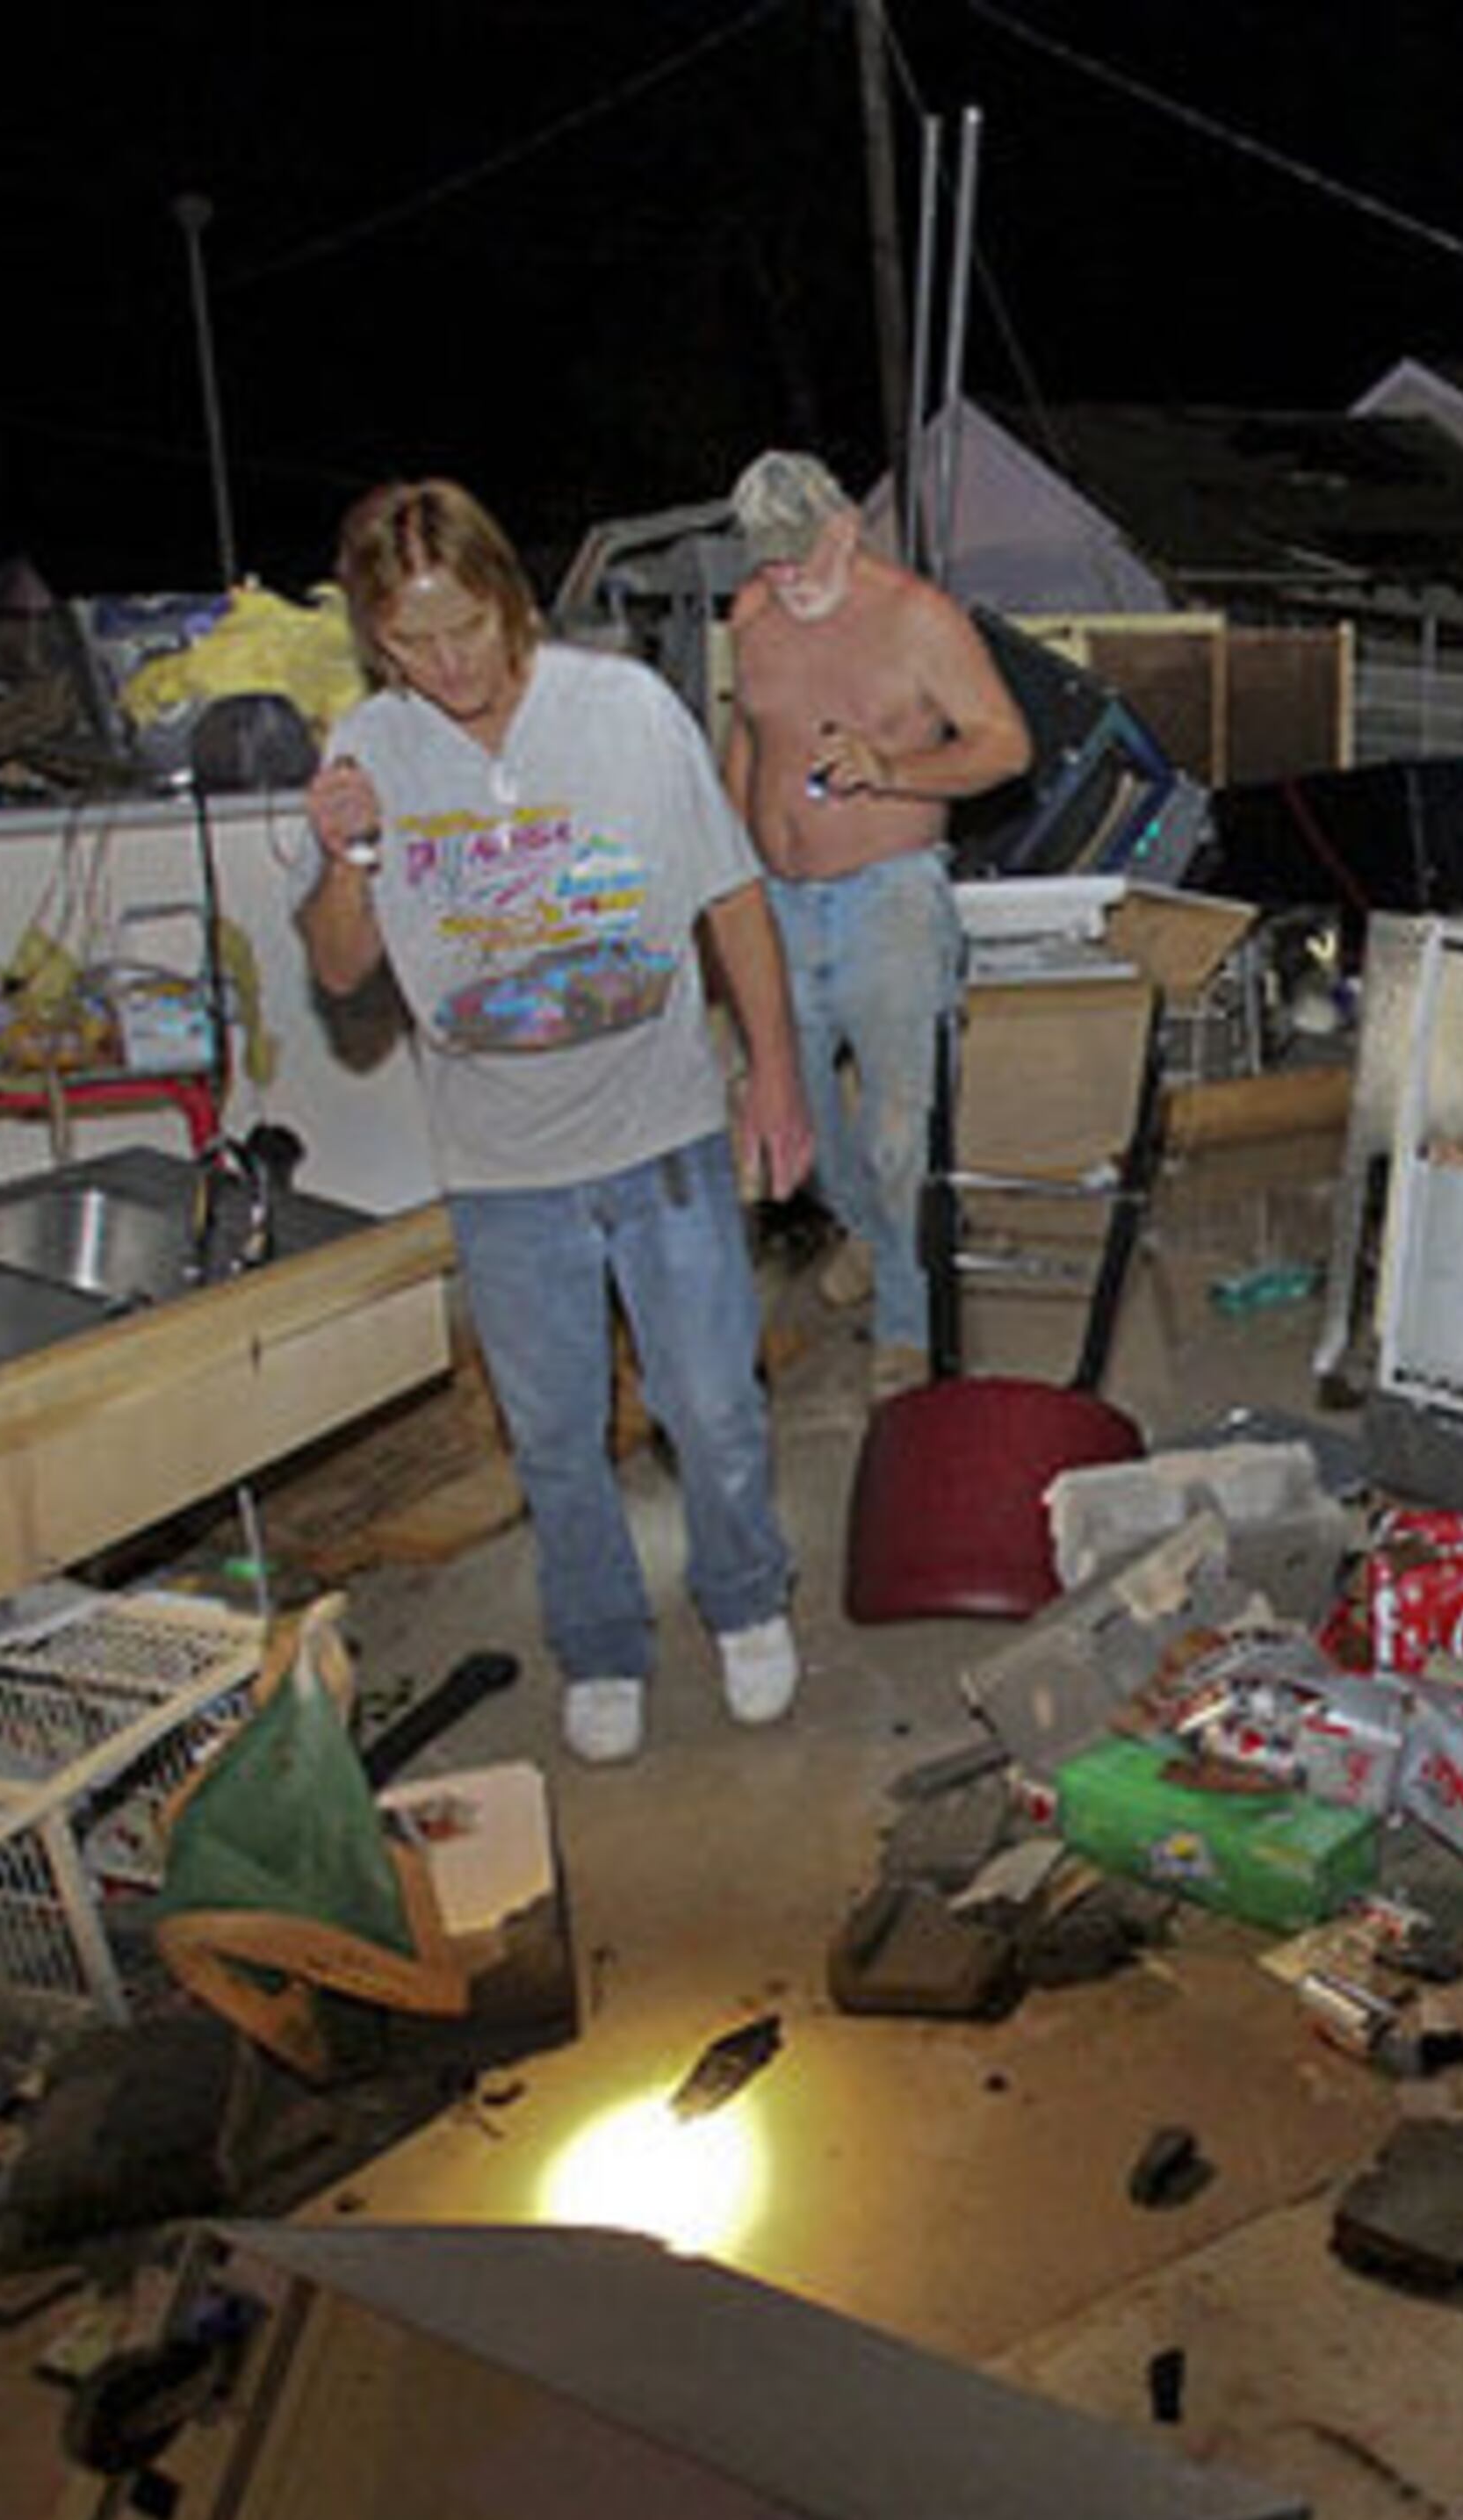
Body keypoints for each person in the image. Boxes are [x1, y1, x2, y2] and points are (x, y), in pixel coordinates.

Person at [297, 477, 813, 1768]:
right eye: (413, 641)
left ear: (508, 599)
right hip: (502, 1164)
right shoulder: (370, 747)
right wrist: (347, 858)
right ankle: (601, 1642)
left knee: (712, 1406)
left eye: (466, 625)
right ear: (376, 640)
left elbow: (733, 899)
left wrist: (777, 1078)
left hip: (663, 1132)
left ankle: (747, 1601)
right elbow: (340, 969)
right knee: (555, 1434)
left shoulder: (625, 711)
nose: (448, 662)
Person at [721, 448, 1032, 1399]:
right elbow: (749, 740)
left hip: (888, 896)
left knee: (901, 1129)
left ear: (846, 528)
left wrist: (894, 769)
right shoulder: (753, 616)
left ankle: (906, 1315)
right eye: (768, 561)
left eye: (801, 557)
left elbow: (1006, 745)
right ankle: (865, 1227)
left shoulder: (917, 619)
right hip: (775, 898)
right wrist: (724, 870)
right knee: (790, 1123)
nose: (786, 579)